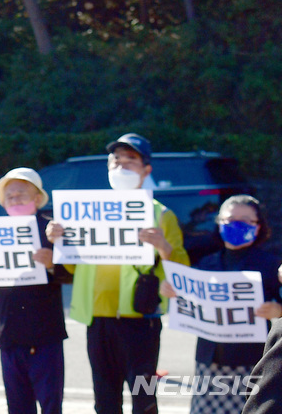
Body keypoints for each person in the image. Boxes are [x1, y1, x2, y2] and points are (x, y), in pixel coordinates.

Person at [46, 133, 190, 414]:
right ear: (108, 167)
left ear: (146, 169)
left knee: (143, 400)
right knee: (105, 400)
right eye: (116, 160)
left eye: (131, 160)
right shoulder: (86, 212)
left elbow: (182, 270)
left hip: (140, 321)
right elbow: (75, 267)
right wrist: (59, 241)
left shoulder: (161, 214)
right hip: (97, 320)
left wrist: (164, 246)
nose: (122, 166)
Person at [160, 195, 281, 414]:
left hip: (251, 360)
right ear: (219, 223)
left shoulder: (271, 264)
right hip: (210, 359)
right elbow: (190, 297)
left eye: (245, 219)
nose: (237, 224)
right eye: (230, 218)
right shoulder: (207, 263)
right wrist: (172, 291)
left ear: (259, 225)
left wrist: (278, 310)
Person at [0, 167, 69, 414]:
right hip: (9, 334)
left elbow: (71, 275)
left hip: (45, 334)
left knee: (50, 405)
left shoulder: (53, 231)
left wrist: (52, 263)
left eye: (21, 193)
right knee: (16, 406)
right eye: (10, 195)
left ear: (37, 198)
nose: (15, 199)